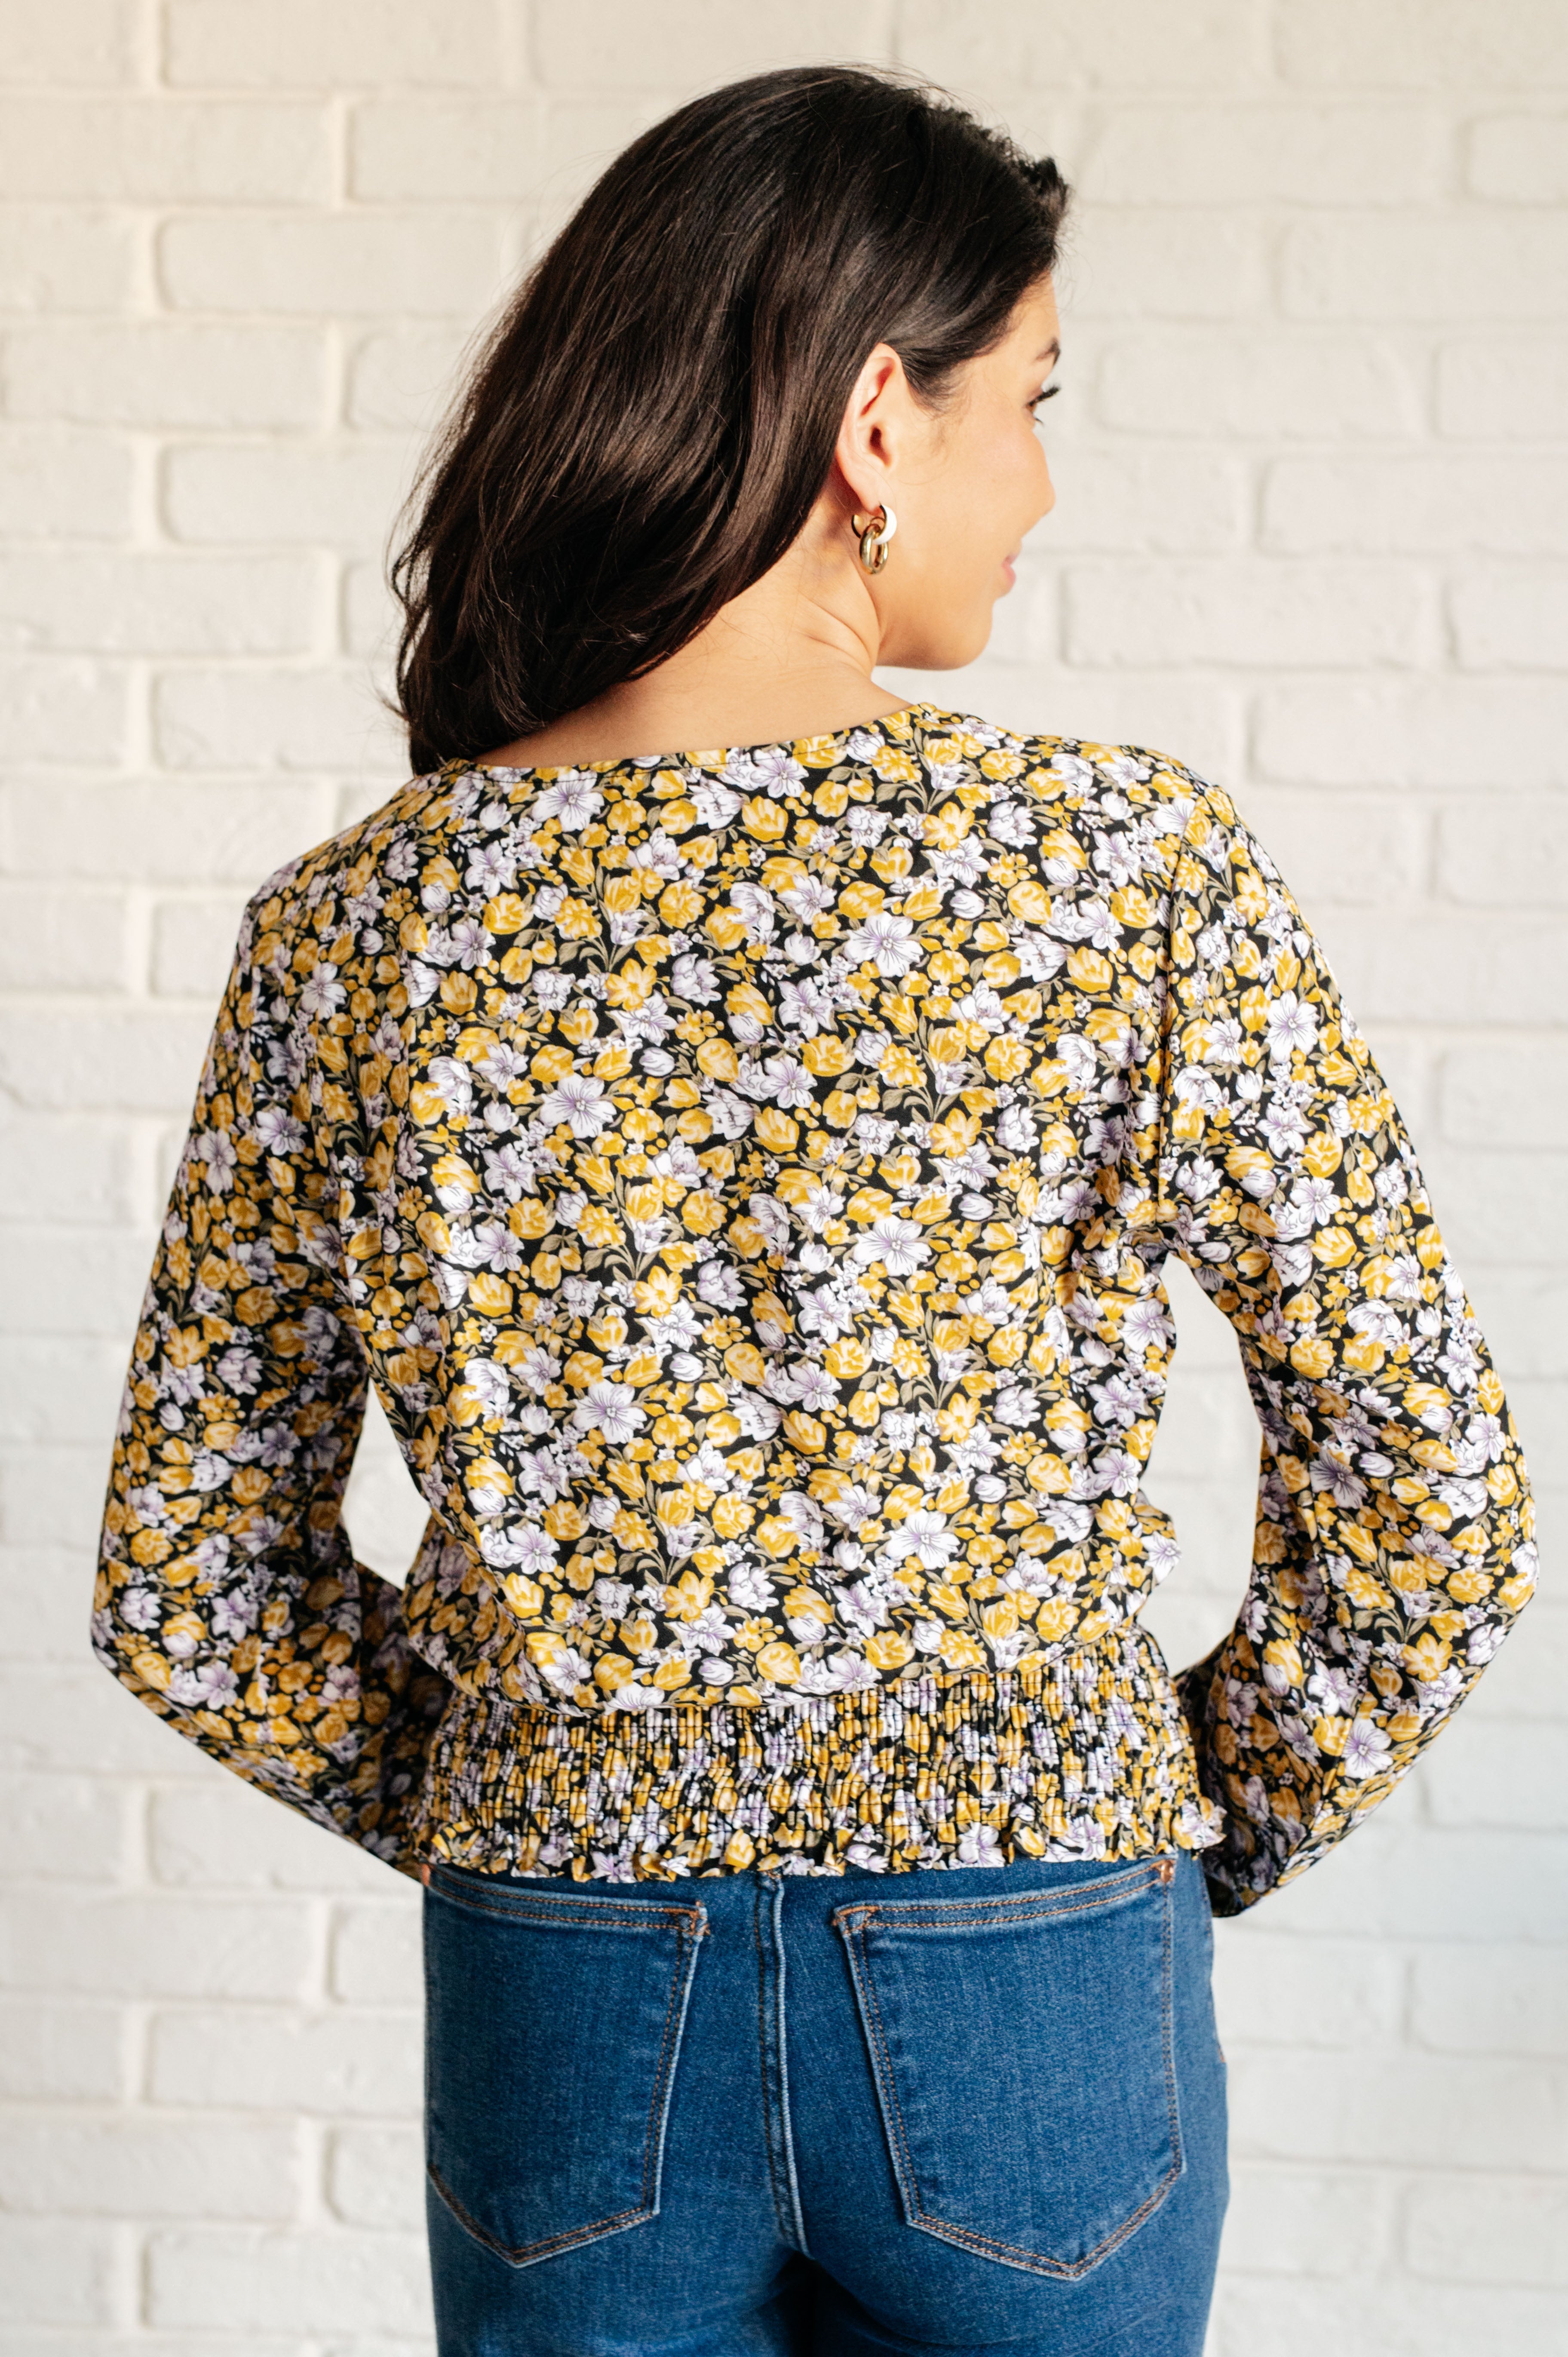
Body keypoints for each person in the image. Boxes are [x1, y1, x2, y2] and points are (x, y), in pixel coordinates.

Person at [91, 63, 1536, 2357]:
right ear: (880, 421)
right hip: (1032, 1952)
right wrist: (1168, 1811)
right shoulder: (1117, 869)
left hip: (572, 1983)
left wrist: (531, 1793)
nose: (1040, 481)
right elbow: (1429, 1485)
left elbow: (190, 1586)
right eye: (1030, 401)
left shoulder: (356, 928)